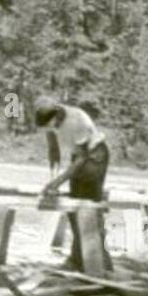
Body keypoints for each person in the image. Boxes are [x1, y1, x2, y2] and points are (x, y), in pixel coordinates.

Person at [34, 96, 111, 270]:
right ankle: (78, 259)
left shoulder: (77, 120)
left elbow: (82, 158)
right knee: (72, 210)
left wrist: (59, 181)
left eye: (53, 126)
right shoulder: (49, 118)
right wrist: (53, 179)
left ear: (58, 115)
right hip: (79, 157)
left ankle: (98, 262)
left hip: (95, 157)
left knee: (87, 209)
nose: (52, 129)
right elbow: (53, 150)